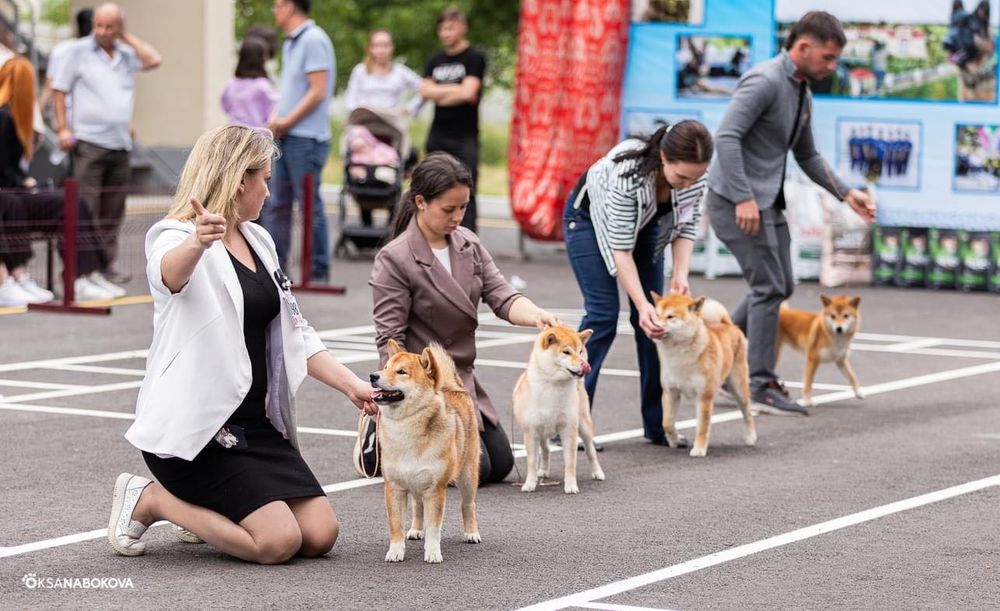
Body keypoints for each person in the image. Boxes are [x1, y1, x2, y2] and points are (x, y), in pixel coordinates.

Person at [110, 124, 378, 564]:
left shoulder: (260, 240)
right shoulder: (174, 234)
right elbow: (168, 276)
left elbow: (296, 329)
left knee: (319, 534)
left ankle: (205, 508)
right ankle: (152, 499)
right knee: (276, 543)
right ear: (240, 181)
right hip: (200, 431)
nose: (269, 192)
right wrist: (198, 241)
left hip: (253, 426)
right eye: (265, 180)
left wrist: (351, 386)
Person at [705, 11, 876, 416]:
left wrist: (846, 193)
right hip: (735, 201)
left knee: (781, 284)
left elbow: (807, 155)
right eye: (828, 58)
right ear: (802, 48)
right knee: (767, 286)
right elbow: (726, 137)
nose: (832, 67)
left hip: (767, 202)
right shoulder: (764, 81)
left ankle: (720, 347)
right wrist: (744, 197)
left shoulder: (802, 91)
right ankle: (760, 380)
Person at [369, 153, 560, 484]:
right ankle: (380, 441)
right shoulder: (394, 258)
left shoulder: (469, 243)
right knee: (477, 470)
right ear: (420, 202)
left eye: (463, 208)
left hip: (461, 381)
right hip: (424, 389)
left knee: (499, 464)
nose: (458, 217)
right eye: (448, 209)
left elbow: (502, 295)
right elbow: (390, 338)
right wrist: (396, 395)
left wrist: (537, 317)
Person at [564, 121, 714, 449]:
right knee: (603, 314)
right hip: (587, 222)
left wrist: (681, 275)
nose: (687, 184)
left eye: (695, 178)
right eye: (681, 178)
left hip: (648, 228)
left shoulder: (693, 178)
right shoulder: (625, 175)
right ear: (663, 157)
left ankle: (659, 423)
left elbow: (686, 226)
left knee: (655, 326)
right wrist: (643, 304)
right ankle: (573, 422)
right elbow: (621, 252)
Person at [51, 2, 162, 287]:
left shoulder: (125, 55)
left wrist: (127, 37)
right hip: (89, 142)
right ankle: (82, 270)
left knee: (113, 208)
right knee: (86, 208)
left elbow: (154, 60)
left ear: (119, 27)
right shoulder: (77, 53)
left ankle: (106, 264)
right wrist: (63, 128)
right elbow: (58, 91)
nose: (100, 31)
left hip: (120, 143)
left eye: (108, 26)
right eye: (97, 25)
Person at [0, 40, 114, 305]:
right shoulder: (4, 119)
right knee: (10, 201)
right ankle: (15, 276)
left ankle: (83, 274)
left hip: (14, 190)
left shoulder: (17, 119)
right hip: (9, 194)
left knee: (68, 201)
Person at [262, 0, 335, 281]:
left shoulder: (314, 39)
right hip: (287, 135)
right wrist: (276, 117)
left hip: (306, 138)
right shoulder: (291, 42)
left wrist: (287, 120)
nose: (275, 10)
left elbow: (318, 91)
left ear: (291, 6)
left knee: (308, 203)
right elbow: (290, 90)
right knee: (279, 202)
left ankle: (317, 269)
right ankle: (278, 267)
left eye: (278, 5)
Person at [419, 7, 485, 233]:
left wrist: (439, 92)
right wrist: (455, 91)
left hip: (464, 136)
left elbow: (469, 93)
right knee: (432, 187)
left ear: (462, 27)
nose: (446, 33)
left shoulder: (474, 57)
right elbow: (425, 91)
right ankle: (432, 236)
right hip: (437, 134)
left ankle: (467, 240)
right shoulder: (434, 59)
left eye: (450, 28)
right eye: (442, 29)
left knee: (466, 188)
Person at [344, 29, 423, 116]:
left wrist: (408, 109)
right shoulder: (360, 71)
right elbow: (350, 100)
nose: (381, 50)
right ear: (370, 48)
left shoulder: (400, 71)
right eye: (377, 45)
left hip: (391, 122)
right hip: (365, 122)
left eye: (386, 45)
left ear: (392, 47)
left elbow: (425, 88)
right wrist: (357, 115)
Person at [39, 7, 93, 124]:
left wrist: (39, 114)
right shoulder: (97, 52)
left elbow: (49, 84)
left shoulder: (61, 49)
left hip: (66, 117)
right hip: (77, 117)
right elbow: (50, 84)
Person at [220, 37, 277, 128]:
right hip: (258, 137)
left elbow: (225, 107)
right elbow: (273, 113)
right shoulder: (263, 86)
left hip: (234, 135)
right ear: (262, 59)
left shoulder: (231, 84)